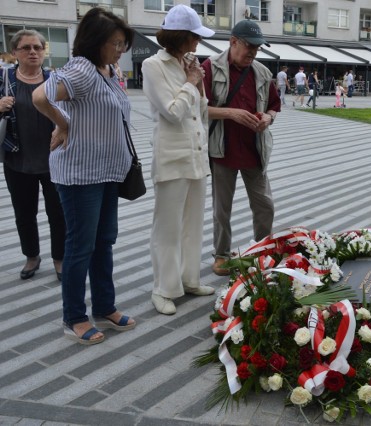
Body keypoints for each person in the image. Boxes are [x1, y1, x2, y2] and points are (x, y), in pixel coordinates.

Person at [32, 7, 136, 345]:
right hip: (80, 174)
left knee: (104, 241)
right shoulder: (82, 70)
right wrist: (63, 124)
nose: (121, 50)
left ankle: (105, 306)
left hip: (106, 172)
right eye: (116, 43)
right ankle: (73, 316)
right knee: (80, 246)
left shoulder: (106, 70)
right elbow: (39, 95)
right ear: (96, 41)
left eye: (123, 43)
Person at [142, 4, 216, 315]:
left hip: (196, 155)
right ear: (181, 36)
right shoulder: (152, 65)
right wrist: (190, 82)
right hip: (172, 158)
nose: (198, 42)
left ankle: (189, 278)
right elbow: (172, 113)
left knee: (193, 224)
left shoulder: (189, 64)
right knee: (167, 227)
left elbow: (200, 111)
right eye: (195, 36)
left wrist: (196, 83)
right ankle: (163, 288)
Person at [202, 20, 281, 276]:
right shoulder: (210, 68)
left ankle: (263, 250)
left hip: (254, 151)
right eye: (249, 46)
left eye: (257, 48)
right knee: (221, 209)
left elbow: (274, 106)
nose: (253, 53)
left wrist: (268, 118)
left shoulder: (262, 72)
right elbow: (198, 109)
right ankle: (222, 254)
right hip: (222, 150)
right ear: (233, 41)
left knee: (264, 205)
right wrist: (231, 114)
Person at [0, 30, 65, 281]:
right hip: (18, 160)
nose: (33, 52)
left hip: (54, 159)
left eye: (38, 47)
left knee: (58, 213)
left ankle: (59, 258)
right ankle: (32, 256)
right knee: (24, 213)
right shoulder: (4, 78)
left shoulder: (54, 79)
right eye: (26, 48)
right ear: (15, 52)